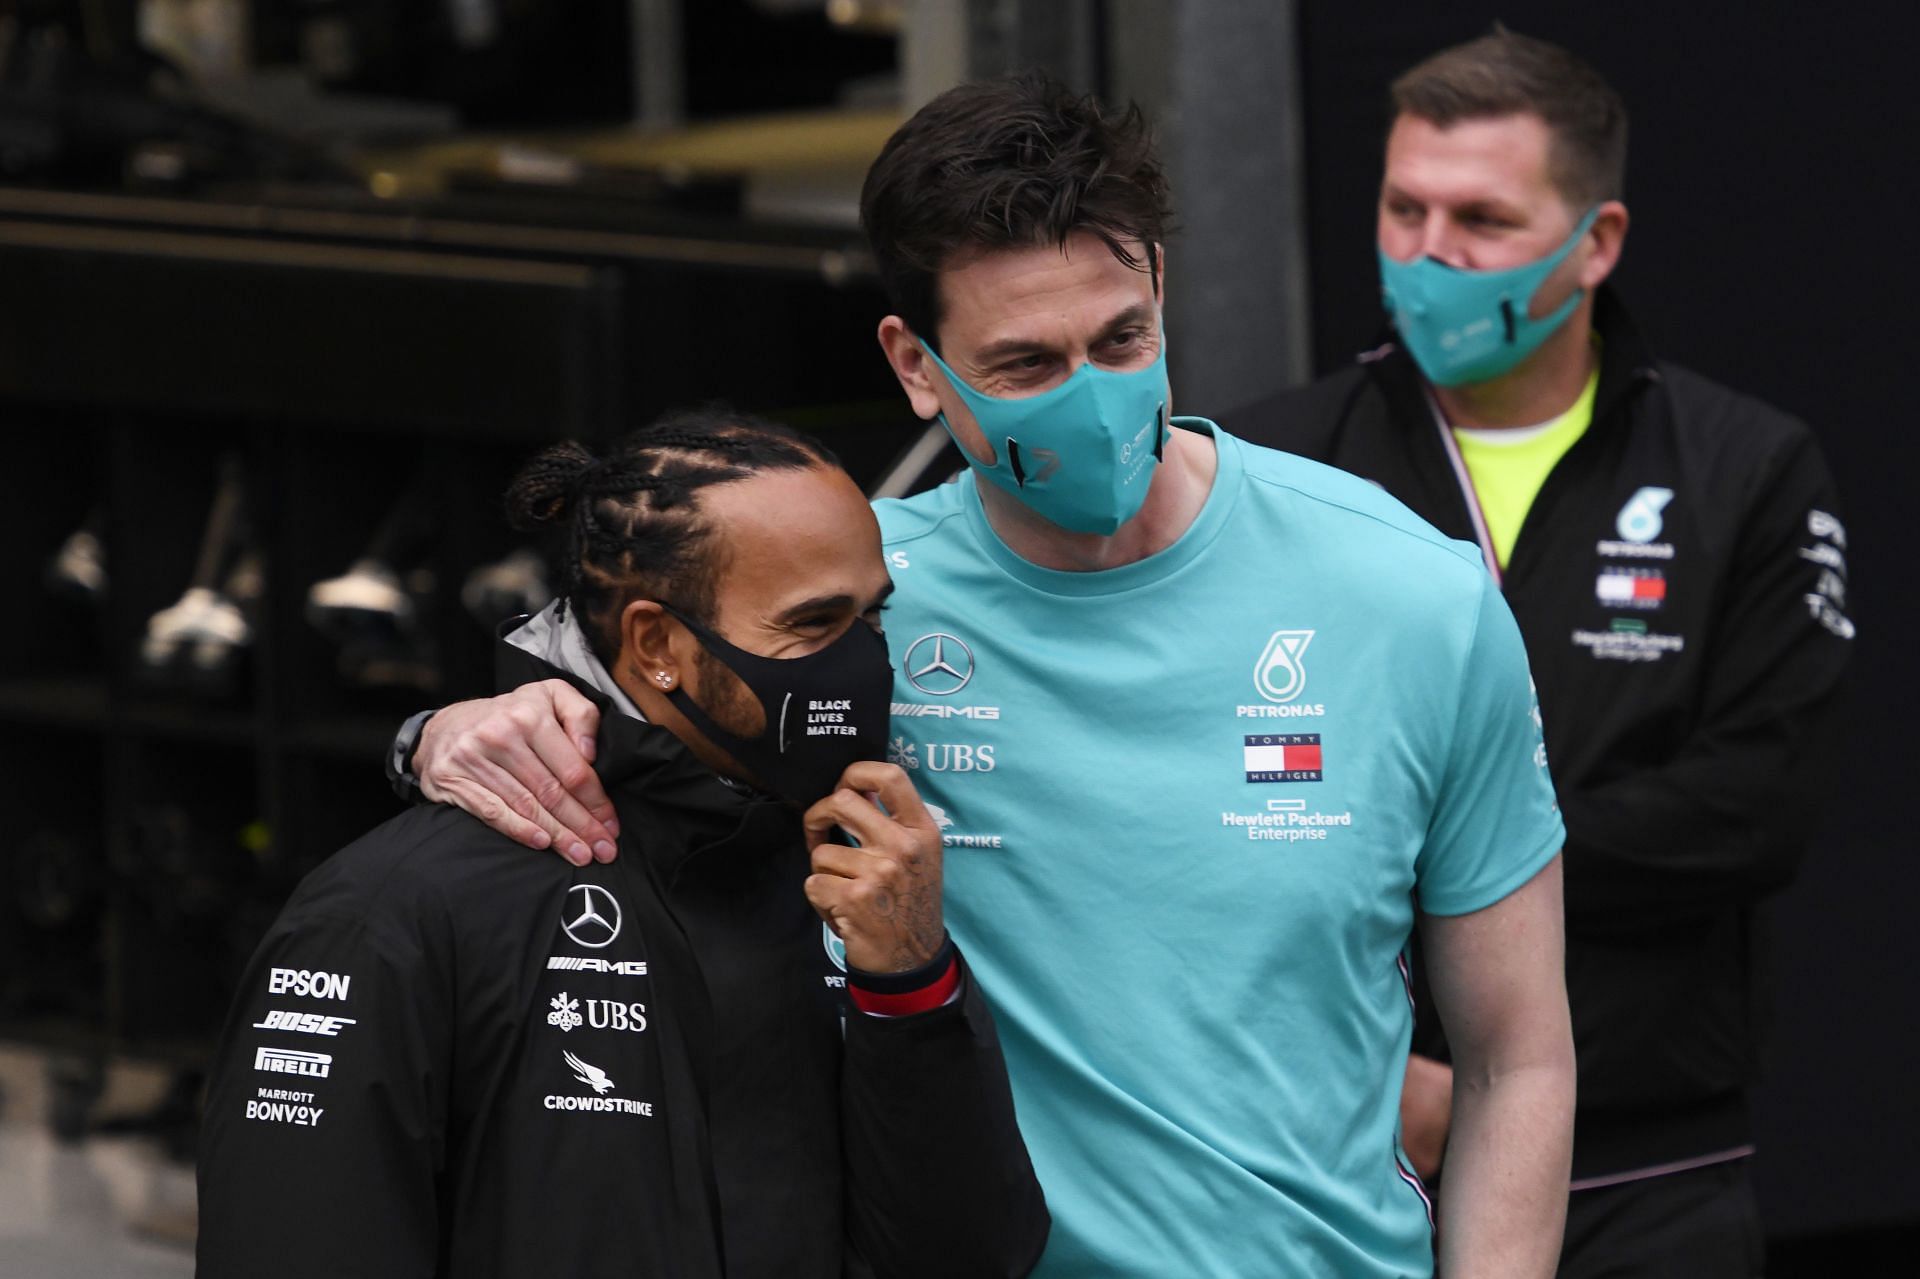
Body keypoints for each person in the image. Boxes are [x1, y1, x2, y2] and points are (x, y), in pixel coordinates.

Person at [394, 77, 1576, 1277]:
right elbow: (579, 680)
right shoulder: (841, 607)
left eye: (1121, 338)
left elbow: (1514, 1057)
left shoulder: (1410, 597)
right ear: (915, 366)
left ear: (1161, 284)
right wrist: (445, 732)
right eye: (1022, 365)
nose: (1092, 397)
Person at [1219, 31, 1855, 1278]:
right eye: (1404, 208)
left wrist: (1450, 851)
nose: (1429, 253)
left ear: (1597, 241)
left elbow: (1754, 807)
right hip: (1344, 1149)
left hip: (1646, 1163)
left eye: (1482, 219)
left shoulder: (1743, 469)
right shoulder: (1275, 469)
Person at [196, 410, 1049, 1278]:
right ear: (658, 643)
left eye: (872, 617)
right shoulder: (396, 911)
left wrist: (911, 987)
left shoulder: (857, 885)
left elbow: (973, 1257)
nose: (863, 662)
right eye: (816, 622)